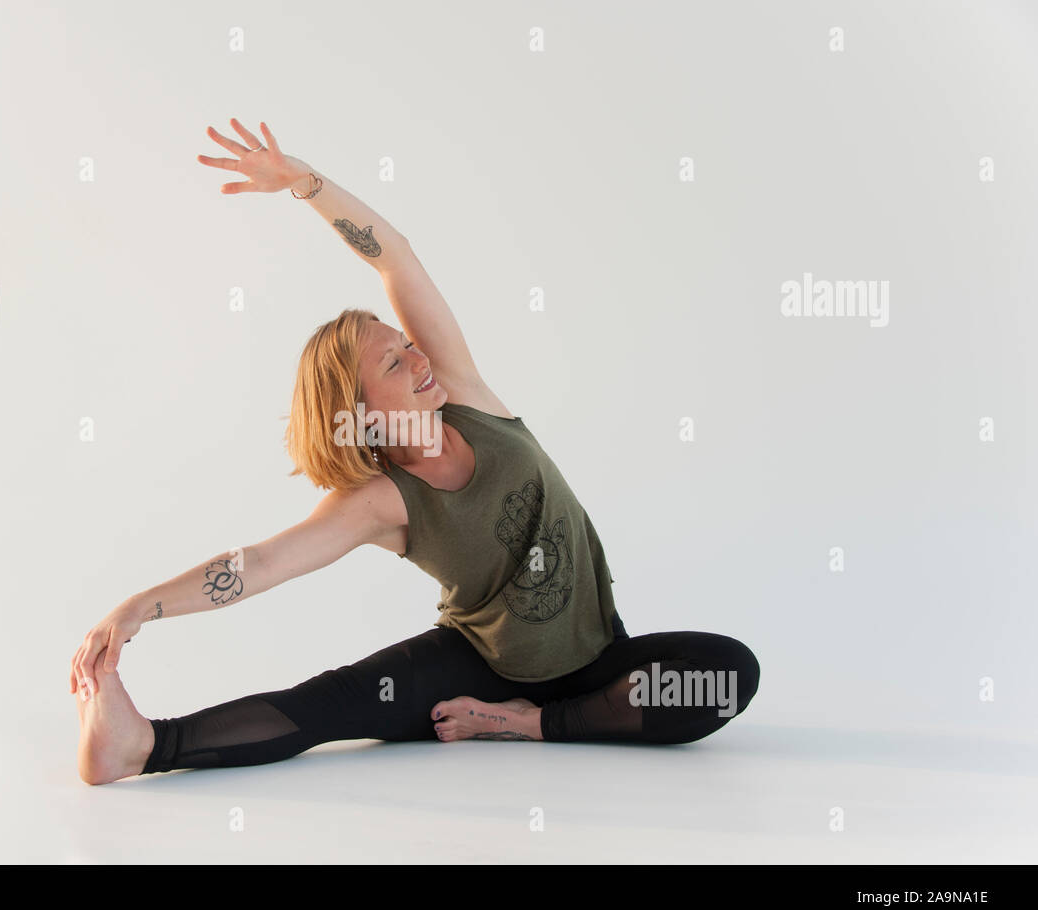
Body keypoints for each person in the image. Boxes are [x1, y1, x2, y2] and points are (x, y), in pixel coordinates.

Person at [70, 118, 761, 784]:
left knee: (729, 672)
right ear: (362, 413)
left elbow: (391, 253)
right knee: (326, 704)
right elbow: (262, 564)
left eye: (405, 344)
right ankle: (143, 746)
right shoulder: (378, 502)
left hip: (598, 658)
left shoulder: (462, 390)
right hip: (478, 661)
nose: (416, 355)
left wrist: (304, 182)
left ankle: (528, 723)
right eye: (394, 363)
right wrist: (138, 606)